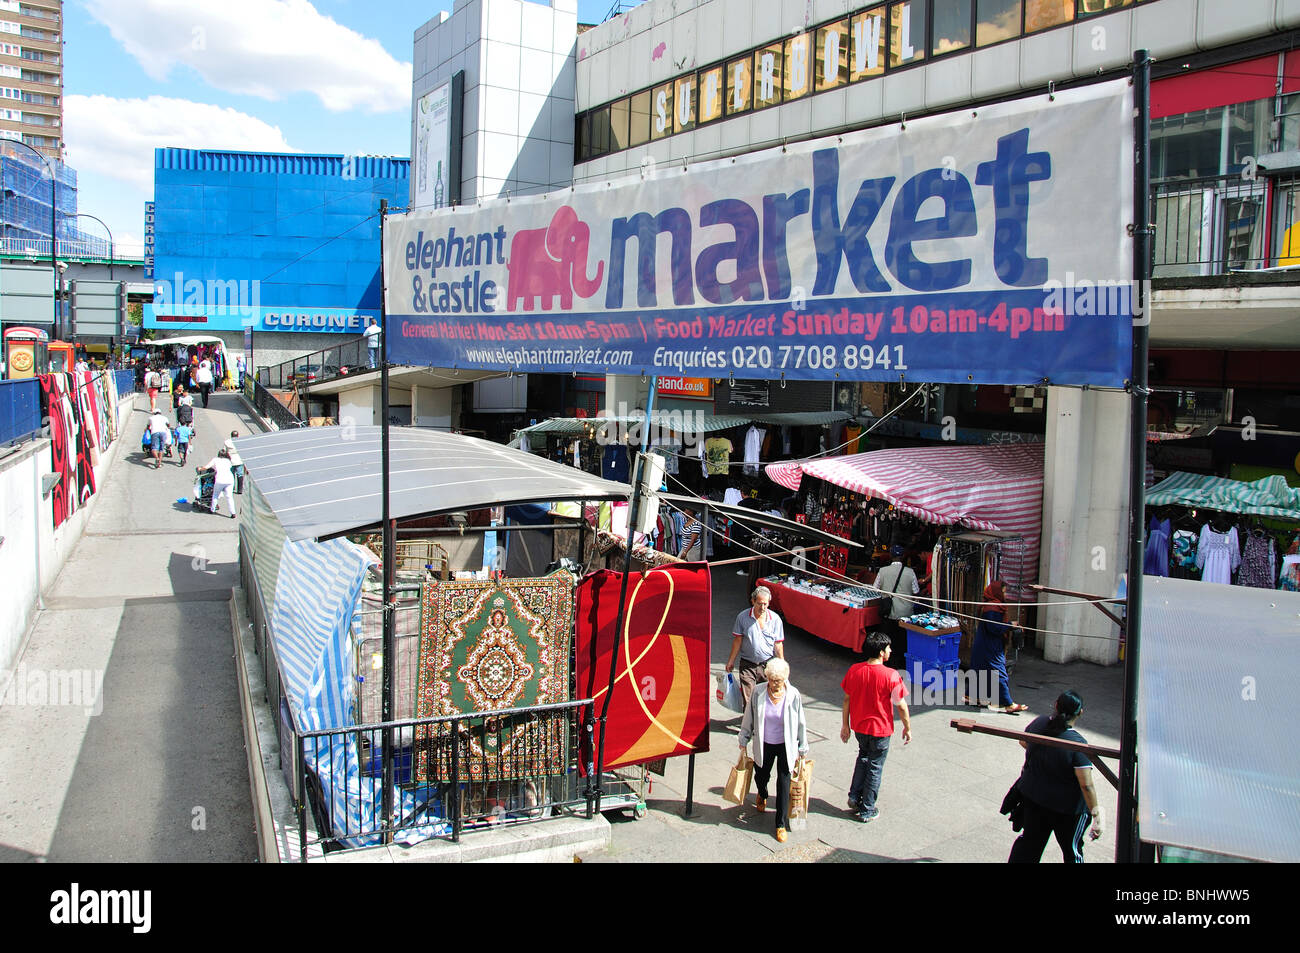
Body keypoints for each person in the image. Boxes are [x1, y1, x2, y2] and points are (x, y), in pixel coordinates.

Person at [1008, 691, 1102, 863]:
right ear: (1080, 713)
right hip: (1067, 810)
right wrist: (1097, 816)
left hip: (1034, 798)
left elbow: (1024, 742)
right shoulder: (1078, 744)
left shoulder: (1039, 722)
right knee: (1072, 851)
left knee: (1029, 845)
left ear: (1056, 705)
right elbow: (1086, 785)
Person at [840, 630, 911, 822]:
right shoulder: (891, 675)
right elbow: (901, 705)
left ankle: (854, 796)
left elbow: (847, 700)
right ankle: (867, 808)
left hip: (859, 727)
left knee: (863, 757)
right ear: (881, 652)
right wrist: (907, 727)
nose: (890, 651)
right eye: (888, 648)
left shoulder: (855, 670)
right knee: (875, 767)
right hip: (880, 729)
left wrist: (845, 726)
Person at [736, 658, 808, 843]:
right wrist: (744, 738)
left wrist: (802, 747)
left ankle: (780, 823)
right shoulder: (759, 692)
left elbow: (801, 722)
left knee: (784, 783)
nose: (775, 684)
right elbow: (749, 717)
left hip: (786, 745)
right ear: (767, 677)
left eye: (779, 680)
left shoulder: (793, 695)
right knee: (761, 775)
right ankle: (762, 792)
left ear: (785, 678)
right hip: (764, 743)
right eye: (772, 680)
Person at [968, 581, 1028, 713]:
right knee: (999, 673)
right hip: (990, 646)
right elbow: (993, 627)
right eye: (1004, 591)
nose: (1005, 594)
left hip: (984, 644)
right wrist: (1009, 625)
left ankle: (973, 696)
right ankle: (1007, 703)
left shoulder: (992, 606)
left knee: (980, 671)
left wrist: (1009, 624)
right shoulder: (992, 608)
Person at [726, 585, 785, 712]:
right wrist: (731, 661)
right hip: (747, 665)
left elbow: (778, 644)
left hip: (767, 665)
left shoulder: (775, 619)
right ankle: (750, 727)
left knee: (766, 698)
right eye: (759, 604)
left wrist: (782, 665)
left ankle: (761, 725)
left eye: (765, 604)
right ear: (753, 601)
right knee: (749, 699)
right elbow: (738, 641)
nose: (762, 608)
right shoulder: (742, 617)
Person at [873, 545, 919, 664]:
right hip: (905, 613)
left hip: (888, 612)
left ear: (890, 556)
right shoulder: (910, 572)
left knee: (887, 639)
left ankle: (887, 662)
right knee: (902, 641)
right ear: (903, 557)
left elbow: (875, 589)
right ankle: (902, 663)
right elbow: (916, 591)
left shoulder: (883, 571)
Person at [201, 449, 238, 518]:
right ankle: (233, 513)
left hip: (220, 479)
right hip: (230, 479)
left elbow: (207, 467)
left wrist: (200, 469)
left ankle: (212, 509)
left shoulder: (215, 460)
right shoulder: (228, 461)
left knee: (215, 495)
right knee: (229, 497)